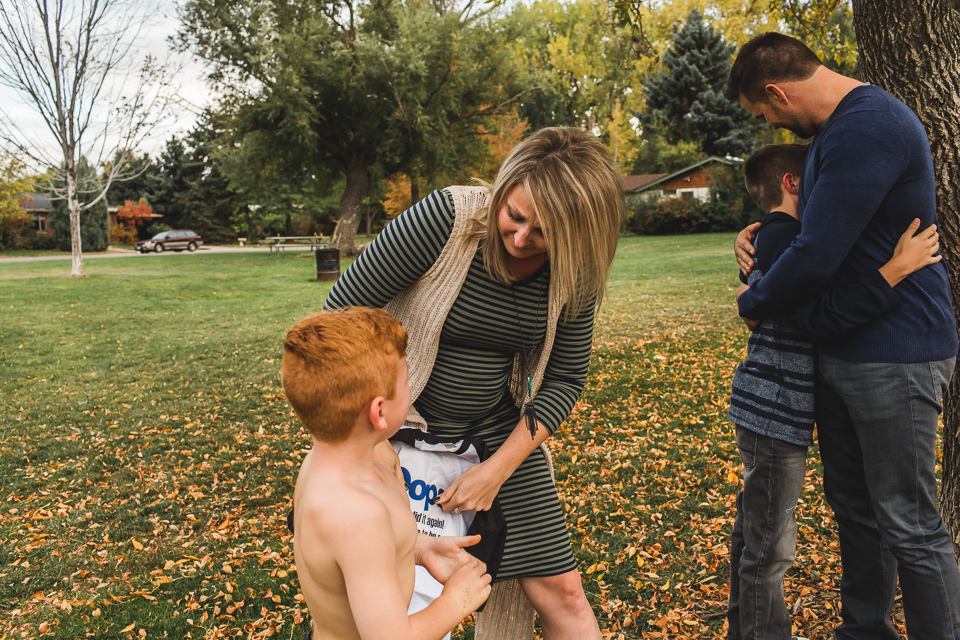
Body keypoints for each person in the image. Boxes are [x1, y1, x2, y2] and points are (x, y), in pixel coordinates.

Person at [324, 126, 623, 638]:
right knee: (381, 597)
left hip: (494, 432)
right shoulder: (449, 219)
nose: (522, 240)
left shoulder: (578, 270)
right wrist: (371, 441)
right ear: (504, 189)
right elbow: (338, 319)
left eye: (545, 233)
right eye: (515, 216)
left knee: (565, 593)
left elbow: (566, 378)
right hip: (394, 425)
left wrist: (496, 472)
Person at [727, 33, 960, 639]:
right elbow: (802, 240)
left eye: (765, 111)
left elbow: (816, 255)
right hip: (842, 343)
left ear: (777, 92)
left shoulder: (868, 125)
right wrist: (759, 243)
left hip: (895, 352)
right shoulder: (835, 134)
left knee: (908, 523)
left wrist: (755, 298)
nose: (772, 122)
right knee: (858, 515)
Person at [283, 307, 492, 640]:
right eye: (406, 380)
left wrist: (419, 548)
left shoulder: (326, 463)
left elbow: (353, 555)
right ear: (379, 412)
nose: (410, 389)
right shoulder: (357, 514)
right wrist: (455, 600)